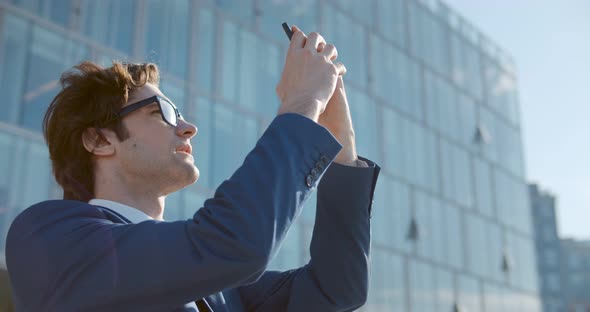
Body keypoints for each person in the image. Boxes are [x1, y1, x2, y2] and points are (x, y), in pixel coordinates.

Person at [6, 26, 380, 311]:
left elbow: (336, 288)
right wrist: (302, 102)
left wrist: (335, 129)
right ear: (100, 141)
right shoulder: (46, 237)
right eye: (163, 113)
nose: (187, 127)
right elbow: (232, 244)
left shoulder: (222, 289)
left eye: (181, 114)